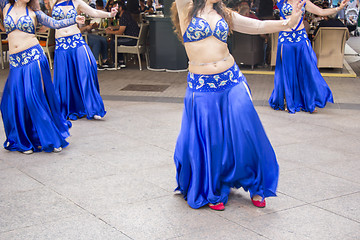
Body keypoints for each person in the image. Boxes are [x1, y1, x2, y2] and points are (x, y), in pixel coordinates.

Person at [171, 0, 304, 211]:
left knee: (247, 130)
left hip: (232, 79)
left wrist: (288, 23)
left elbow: (258, 26)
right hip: (202, 86)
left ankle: (256, 184)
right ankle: (212, 187)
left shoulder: (225, 14)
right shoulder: (185, 10)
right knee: (212, 140)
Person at [0, 0, 85, 154]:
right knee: (11, 102)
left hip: (33, 57)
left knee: (33, 98)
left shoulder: (34, 12)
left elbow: (54, 23)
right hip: (15, 62)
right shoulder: (5, 6)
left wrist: (74, 20)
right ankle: (24, 140)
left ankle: (51, 140)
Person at [269, 0, 348, 114]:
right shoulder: (281, 1)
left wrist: (339, 8)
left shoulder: (303, 1)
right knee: (288, 71)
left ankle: (308, 101)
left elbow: (320, 11)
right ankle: (290, 102)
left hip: (301, 38)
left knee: (307, 69)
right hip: (286, 38)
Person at [48, 0, 117, 120]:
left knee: (86, 71)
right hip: (61, 45)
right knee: (64, 78)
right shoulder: (52, 2)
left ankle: (93, 108)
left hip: (76, 41)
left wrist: (110, 15)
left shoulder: (76, 2)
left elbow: (94, 12)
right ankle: (65, 108)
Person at [106, 0, 139, 68]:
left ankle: (116, 63)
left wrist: (110, 32)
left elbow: (120, 32)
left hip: (132, 39)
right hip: (135, 38)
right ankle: (121, 61)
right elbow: (122, 26)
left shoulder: (124, 16)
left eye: (115, 8)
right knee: (117, 40)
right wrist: (113, 27)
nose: (113, 10)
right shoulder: (126, 14)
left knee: (113, 42)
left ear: (120, 8)